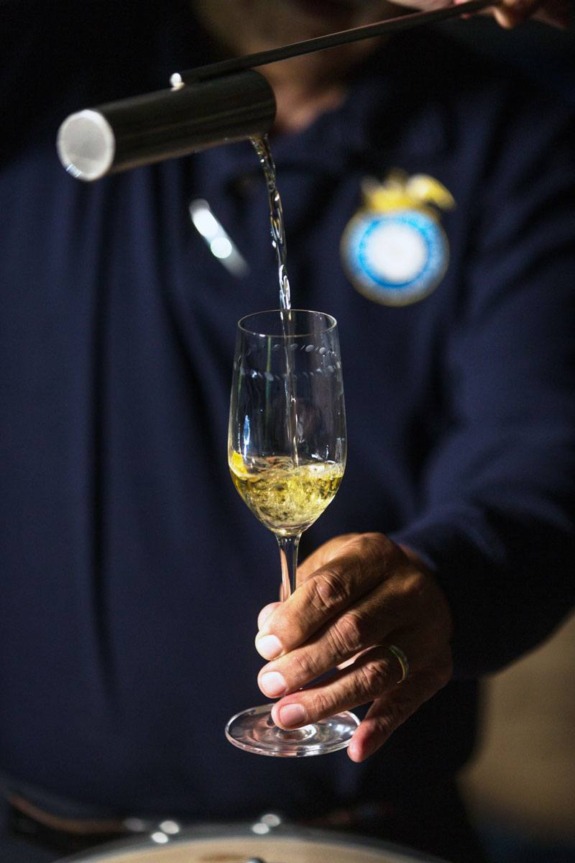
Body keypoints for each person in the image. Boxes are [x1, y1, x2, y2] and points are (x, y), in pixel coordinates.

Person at [1, 1, 574, 862]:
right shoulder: (45, 65)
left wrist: (438, 575)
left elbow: (542, 454)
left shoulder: (513, 138)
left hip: (364, 837)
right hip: (39, 835)